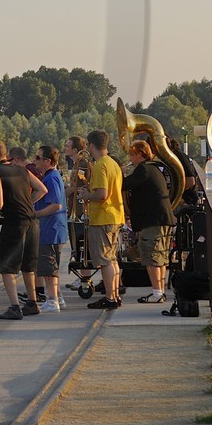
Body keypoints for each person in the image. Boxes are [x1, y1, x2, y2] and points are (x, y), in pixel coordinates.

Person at [0, 141, 43, 320]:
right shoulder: (22, 169)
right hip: (32, 222)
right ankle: (32, 302)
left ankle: (15, 307)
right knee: (28, 266)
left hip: (14, 223)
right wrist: (26, 202)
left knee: (8, 267)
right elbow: (42, 189)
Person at [125, 138, 176, 303]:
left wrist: (118, 174)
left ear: (140, 154)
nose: (130, 158)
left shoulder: (143, 169)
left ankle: (156, 293)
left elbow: (125, 184)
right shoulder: (154, 168)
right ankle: (159, 291)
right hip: (163, 218)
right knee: (160, 257)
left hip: (153, 220)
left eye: (131, 155)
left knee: (151, 256)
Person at [85, 129, 125, 310]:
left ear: (92, 145)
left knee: (105, 261)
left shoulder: (100, 165)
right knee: (112, 259)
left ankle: (110, 298)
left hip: (103, 217)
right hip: (115, 215)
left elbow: (102, 194)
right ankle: (114, 295)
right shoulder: (113, 163)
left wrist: (87, 195)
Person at [32, 146, 69, 312]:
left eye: (38, 158)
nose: (35, 161)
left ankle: (52, 300)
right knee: (52, 266)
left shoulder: (51, 178)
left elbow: (56, 205)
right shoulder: (52, 176)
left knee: (48, 267)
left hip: (50, 228)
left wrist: (36, 214)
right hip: (53, 228)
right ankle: (58, 297)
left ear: (47, 161)